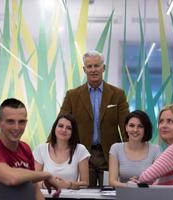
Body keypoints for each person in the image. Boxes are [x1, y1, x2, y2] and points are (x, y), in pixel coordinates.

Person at [60, 50, 129, 186]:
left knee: (109, 194)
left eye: (96, 66)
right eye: (89, 66)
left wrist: (129, 155)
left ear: (104, 67)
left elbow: (126, 126)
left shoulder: (118, 94)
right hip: (83, 155)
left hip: (109, 156)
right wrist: (50, 149)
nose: (93, 70)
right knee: (85, 194)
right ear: (84, 69)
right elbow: (60, 124)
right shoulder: (72, 96)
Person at [0, 98, 60, 200]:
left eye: (21, 122)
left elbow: (34, 189)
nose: (16, 127)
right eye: (10, 122)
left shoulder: (25, 148)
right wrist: (46, 175)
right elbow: (11, 178)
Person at [33, 113, 90, 189]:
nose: (64, 130)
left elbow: (85, 183)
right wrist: (47, 185)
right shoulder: (41, 149)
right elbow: (33, 181)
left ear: (73, 132)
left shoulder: (80, 149)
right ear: (54, 128)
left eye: (69, 128)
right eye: (60, 126)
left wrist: (68, 184)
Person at [109, 110, 161, 187]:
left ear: (145, 129)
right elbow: (112, 182)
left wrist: (141, 185)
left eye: (140, 126)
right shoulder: (116, 148)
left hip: (148, 194)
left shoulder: (155, 149)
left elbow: (159, 180)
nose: (135, 130)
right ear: (126, 127)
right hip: (124, 195)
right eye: (131, 125)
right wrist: (128, 185)